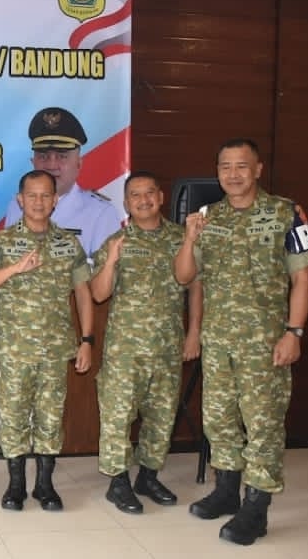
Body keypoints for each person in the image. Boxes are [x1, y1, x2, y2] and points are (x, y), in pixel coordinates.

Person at [174, 138, 308, 546]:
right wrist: (189, 238)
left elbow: (303, 277)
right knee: (218, 419)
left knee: (263, 423)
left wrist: (294, 332)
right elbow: (185, 276)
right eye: (225, 167)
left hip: (265, 343)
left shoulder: (286, 213)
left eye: (242, 166)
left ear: (257, 170)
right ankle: (226, 491)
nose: (233, 174)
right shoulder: (209, 217)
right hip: (219, 341)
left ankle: (256, 508)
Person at [0, 169, 92, 512]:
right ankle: (16, 485)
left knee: (50, 419)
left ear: (55, 200)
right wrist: (14, 269)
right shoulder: (3, 242)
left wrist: (87, 340)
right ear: (20, 200)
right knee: (14, 419)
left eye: (45, 195)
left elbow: (83, 293)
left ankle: (44, 485)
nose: (38, 202)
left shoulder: (68, 243)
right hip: (15, 351)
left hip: (56, 350)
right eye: (32, 195)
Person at [90, 171, 203, 515]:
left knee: (162, 415)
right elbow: (98, 293)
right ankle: (118, 482)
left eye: (149, 193)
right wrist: (112, 260)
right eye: (135, 195)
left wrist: (194, 332)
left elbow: (194, 286)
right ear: (126, 203)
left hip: (167, 346)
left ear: (161, 197)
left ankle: (148, 477)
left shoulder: (181, 237)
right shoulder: (117, 241)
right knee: (118, 415)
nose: (143, 200)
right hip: (125, 349)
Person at [4, 106, 120, 257]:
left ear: (78, 164)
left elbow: (108, 270)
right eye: (44, 156)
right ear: (33, 162)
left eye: (62, 156)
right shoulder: (16, 206)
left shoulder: (101, 213)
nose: (51, 165)